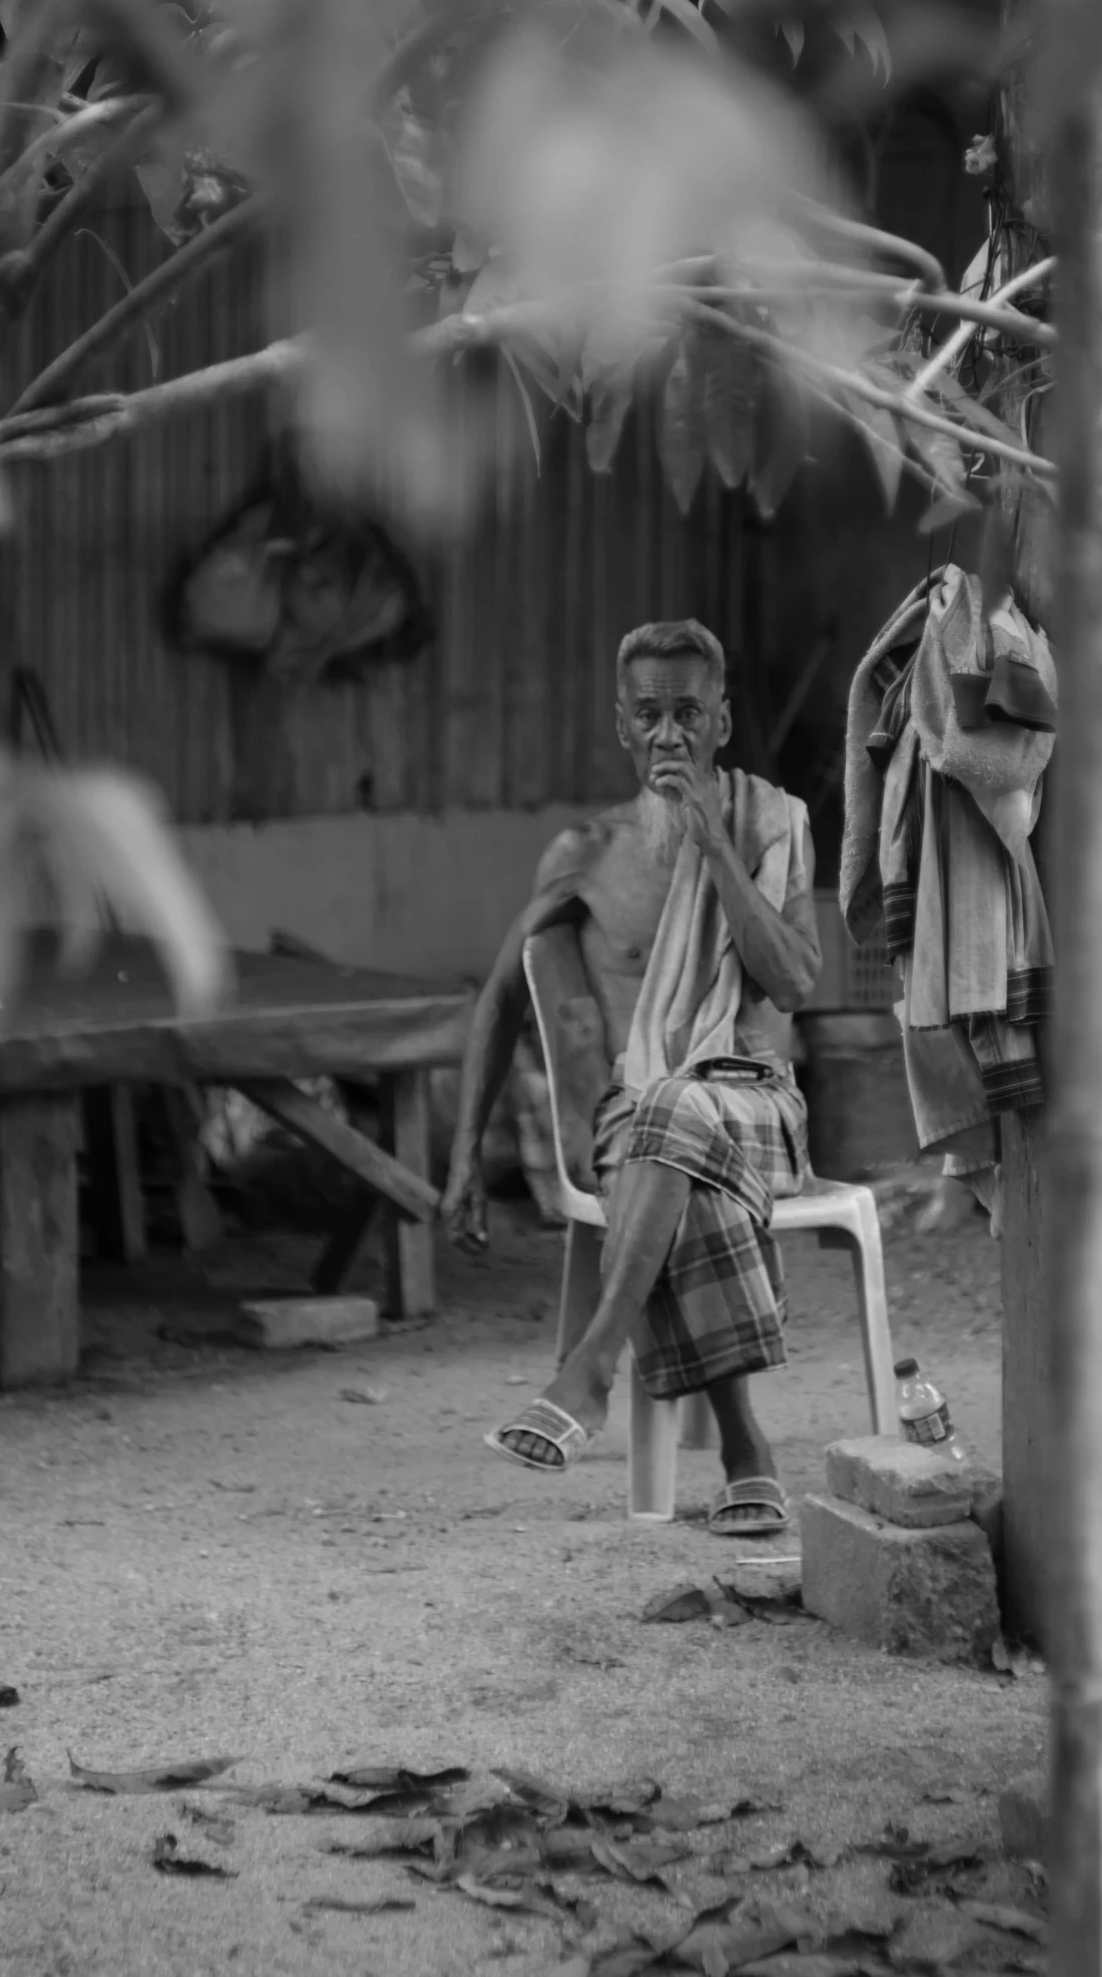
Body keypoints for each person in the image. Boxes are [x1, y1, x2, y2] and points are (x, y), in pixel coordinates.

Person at [441, 618, 821, 1537]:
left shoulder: (770, 822)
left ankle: (592, 1366)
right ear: (621, 726)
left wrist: (713, 846)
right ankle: (745, 1451)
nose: (668, 735)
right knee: (665, 1116)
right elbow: (498, 999)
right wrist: (459, 1161)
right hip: (642, 1121)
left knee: (676, 1108)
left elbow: (794, 981)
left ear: (721, 723)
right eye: (648, 714)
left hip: (759, 1105)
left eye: (688, 713)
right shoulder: (582, 854)